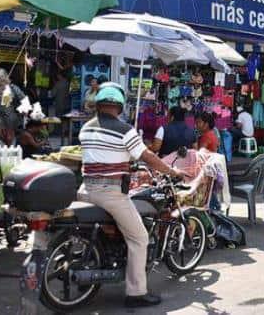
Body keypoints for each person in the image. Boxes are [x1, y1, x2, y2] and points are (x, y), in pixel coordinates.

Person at [78, 82, 187, 308]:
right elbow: (148, 156)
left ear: (98, 105)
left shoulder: (86, 127)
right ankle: (136, 292)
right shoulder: (124, 130)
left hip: (84, 190)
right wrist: (171, 171)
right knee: (139, 238)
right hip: (110, 194)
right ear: (119, 106)